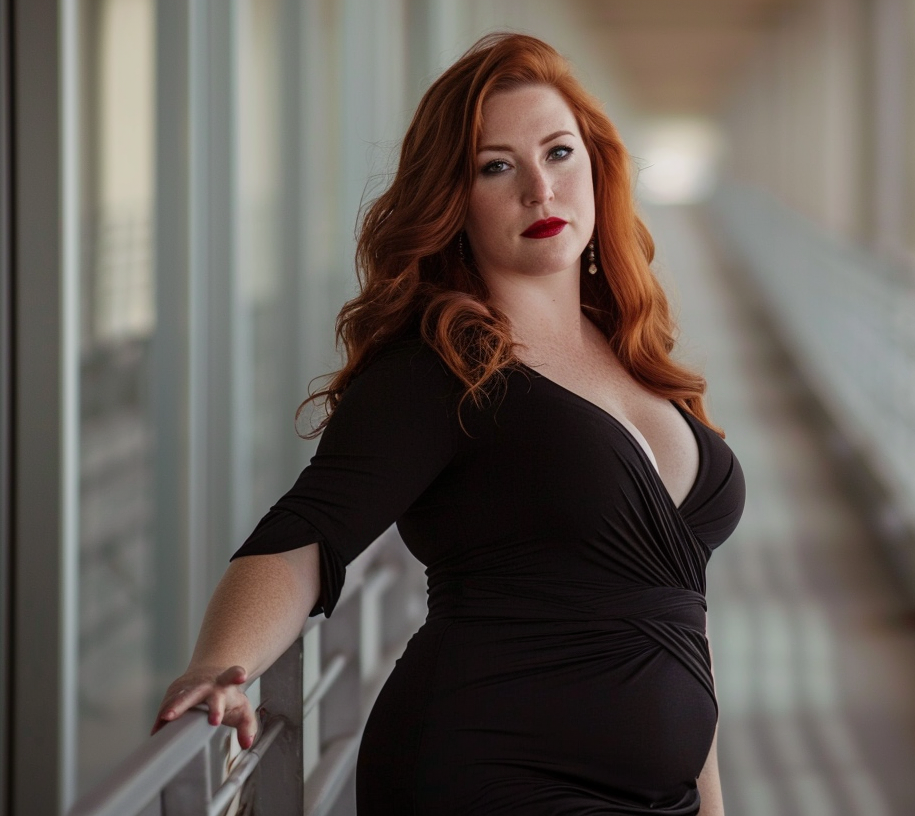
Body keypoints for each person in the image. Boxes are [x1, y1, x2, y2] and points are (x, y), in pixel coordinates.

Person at [151, 32, 745, 815]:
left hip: (657, 792)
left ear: (598, 168)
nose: (540, 188)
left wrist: (709, 802)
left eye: (559, 153)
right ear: (454, 201)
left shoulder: (635, 352)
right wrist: (216, 665)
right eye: (496, 167)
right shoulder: (440, 370)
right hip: (490, 776)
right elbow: (304, 536)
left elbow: (679, 613)